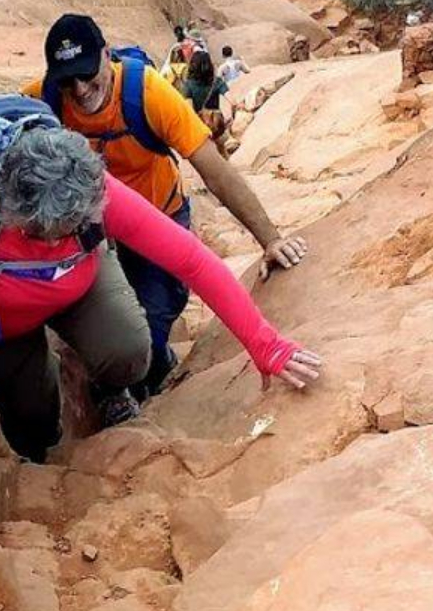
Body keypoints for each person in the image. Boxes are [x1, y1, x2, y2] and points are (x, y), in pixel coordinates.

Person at [0, 124, 323, 463]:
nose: (53, 241)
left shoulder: (99, 195)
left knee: (132, 350)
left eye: (67, 229)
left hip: (77, 287)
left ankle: (108, 389)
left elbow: (191, 260)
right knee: (31, 418)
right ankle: (43, 440)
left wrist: (267, 346)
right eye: (40, 234)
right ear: (11, 206)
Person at [23, 14, 309, 398]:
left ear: (107, 56)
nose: (78, 88)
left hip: (157, 218)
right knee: (105, 330)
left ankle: (153, 384)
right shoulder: (43, 100)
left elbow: (213, 169)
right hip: (90, 229)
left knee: (151, 332)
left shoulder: (148, 93)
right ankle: (125, 391)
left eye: (87, 73)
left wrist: (269, 239)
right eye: (66, 78)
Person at [183, 50, 231, 157]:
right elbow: (232, 101)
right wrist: (230, 118)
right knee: (222, 152)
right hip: (216, 124)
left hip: (200, 127)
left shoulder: (188, 85)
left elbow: (190, 111)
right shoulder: (217, 81)